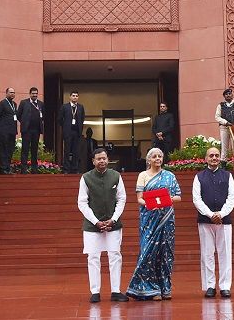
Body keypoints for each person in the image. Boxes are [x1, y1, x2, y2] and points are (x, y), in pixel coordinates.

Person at [126, 147, 182, 300]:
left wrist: (164, 200)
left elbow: (178, 197)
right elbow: (139, 198)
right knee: (148, 252)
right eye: (154, 156)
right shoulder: (143, 175)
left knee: (165, 253)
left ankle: (165, 288)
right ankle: (149, 289)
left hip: (167, 219)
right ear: (149, 160)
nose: (158, 158)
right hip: (149, 219)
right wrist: (152, 204)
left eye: (160, 156)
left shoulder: (169, 176)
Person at [78, 148, 129, 304]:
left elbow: (122, 199)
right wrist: (96, 221)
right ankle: (95, 291)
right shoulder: (85, 178)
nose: (102, 161)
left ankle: (115, 291)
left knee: (115, 256)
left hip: (113, 224)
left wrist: (113, 219)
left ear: (108, 160)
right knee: (93, 257)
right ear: (93, 161)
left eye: (104, 158)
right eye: (98, 159)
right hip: (92, 226)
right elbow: (82, 202)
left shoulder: (116, 176)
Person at [192, 147, 234, 298]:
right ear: (206, 158)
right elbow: (197, 199)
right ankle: (210, 286)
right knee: (207, 253)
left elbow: (232, 197)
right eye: (211, 155)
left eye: (217, 155)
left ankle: (225, 286)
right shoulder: (199, 177)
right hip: (205, 220)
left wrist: (221, 214)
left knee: (225, 254)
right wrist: (210, 214)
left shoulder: (228, 175)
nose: (214, 158)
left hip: (224, 220)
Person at [17, 87, 44, 174]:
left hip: (36, 130)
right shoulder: (24, 103)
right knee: (25, 149)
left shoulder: (41, 104)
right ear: (30, 94)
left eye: (36, 93)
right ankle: (23, 169)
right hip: (26, 130)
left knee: (34, 149)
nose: (35, 95)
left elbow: (43, 116)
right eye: (33, 93)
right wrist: (24, 122)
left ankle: (34, 169)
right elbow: (18, 115)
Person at [0, 87, 19, 175]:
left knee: (10, 150)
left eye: (14, 92)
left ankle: (8, 168)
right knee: (3, 149)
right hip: (3, 131)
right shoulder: (1, 104)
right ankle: (3, 169)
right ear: (6, 93)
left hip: (12, 131)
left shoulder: (14, 104)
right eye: (11, 92)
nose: (13, 94)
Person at [59, 91, 86, 174]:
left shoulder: (80, 107)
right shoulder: (65, 107)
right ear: (70, 97)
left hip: (77, 132)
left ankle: (75, 168)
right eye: (73, 96)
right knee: (67, 151)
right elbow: (60, 119)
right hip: (68, 132)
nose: (75, 97)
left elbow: (82, 118)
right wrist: (65, 127)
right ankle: (66, 169)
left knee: (76, 151)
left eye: (76, 96)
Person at [215, 89, 234, 162]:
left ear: (232, 95)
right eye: (226, 94)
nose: (228, 95)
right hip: (224, 127)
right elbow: (217, 117)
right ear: (224, 96)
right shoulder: (220, 105)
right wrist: (225, 122)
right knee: (224, 146)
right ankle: (223, 163)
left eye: (229, 93)